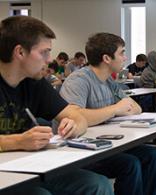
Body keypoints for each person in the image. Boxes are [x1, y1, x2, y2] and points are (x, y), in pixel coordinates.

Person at [0, 16, 113, 195]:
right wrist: (17, 141)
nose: (49, 59)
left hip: (27, 165)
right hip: (5, 173)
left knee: (97, 184)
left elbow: (77, 117)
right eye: (44, 52)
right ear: (20, 52)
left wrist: (74, 125)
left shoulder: (34, 82)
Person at [60, 33, 156, 195]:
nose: (125, 58)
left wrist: (117, 109)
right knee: (130, 163)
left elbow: (135, 107)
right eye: (121, 53)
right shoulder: (78, 80)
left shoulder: (108, 81)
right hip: (80, 151)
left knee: (151, 154)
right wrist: (114, 110)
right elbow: (73, 115)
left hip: (106, 143)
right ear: (107, 58)